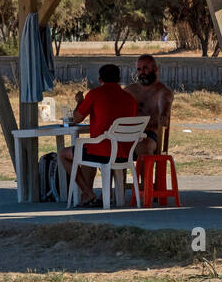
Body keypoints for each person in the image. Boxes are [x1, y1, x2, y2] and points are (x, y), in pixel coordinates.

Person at [59, 64, 138, 207]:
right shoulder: (130, 98)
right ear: (119, 79)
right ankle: (99, 194)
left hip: (102, 152)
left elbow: (76, 119)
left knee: (64, 154)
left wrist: (80, 103)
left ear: (100, 79)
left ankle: (88, 192)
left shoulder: (95, 94)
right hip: (125, 152)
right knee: (88, 149)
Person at [124, 54, 174, 160]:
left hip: (150, 136)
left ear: (155, 69)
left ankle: (145, 177)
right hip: (127, 134)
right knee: (106, 147)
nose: (142, 72)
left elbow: (164, 113)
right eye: (139, 69)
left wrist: (164, 115)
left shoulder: (163, 92)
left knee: (144, 147)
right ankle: (119, 177)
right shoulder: (129, 90)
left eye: (145, 68)